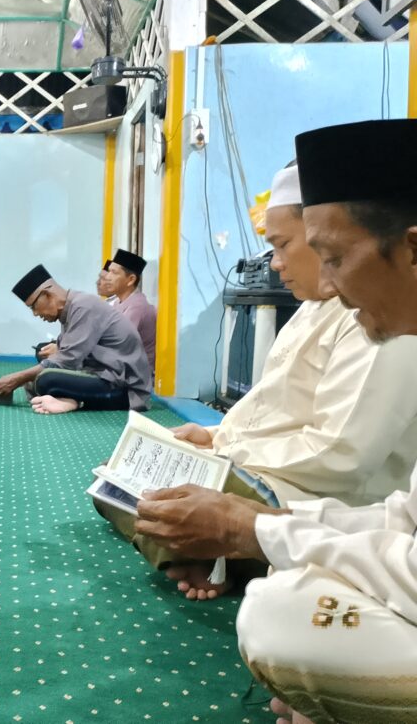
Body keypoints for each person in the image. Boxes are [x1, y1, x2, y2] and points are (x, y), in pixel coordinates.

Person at [134, 120, 417, 723]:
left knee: (279, 619)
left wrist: (255, 529)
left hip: (322, 486)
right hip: (316, 502)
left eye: (331, 256)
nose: (329, 281)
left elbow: (342, 456)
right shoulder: (335, 311)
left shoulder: (391, 330)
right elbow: (405, 520)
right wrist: (258, 516)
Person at [100, 164, 417, 600]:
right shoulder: (315, 308)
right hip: (270, 472)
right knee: (118, 483)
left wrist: (227, 456)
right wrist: (215, 435)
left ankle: (215, 549)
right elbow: (270, 407)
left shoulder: (386, 315)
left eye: (284, 245)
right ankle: (207, 552)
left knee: (155, 498)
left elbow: (340, 455)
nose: (276, 263)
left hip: (310, 489)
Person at [0, 264, 152, 412]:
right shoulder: (72, 307)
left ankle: (74, 401)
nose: (35, 313)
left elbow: (68, 360)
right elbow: (68, 351)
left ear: (47, 294)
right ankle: (68, 398)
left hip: (125, 389)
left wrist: (17, 378)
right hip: (104, 374)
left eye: (34, 306)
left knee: (46, 379)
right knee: (42, 359)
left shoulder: (83, 306)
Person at [36, 260, 114, 361]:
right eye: (99, 278)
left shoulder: (87, 305)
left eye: (104, 279)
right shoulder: (107, 302)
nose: (98, 282)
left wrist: (61, 350)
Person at [107, 249, 157, 369]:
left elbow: (115, 345)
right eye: (109, 271)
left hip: (132, 375)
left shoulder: (137, 307)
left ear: (131, 280)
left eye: (114, 273)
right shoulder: (117, 302)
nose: (107, 277)